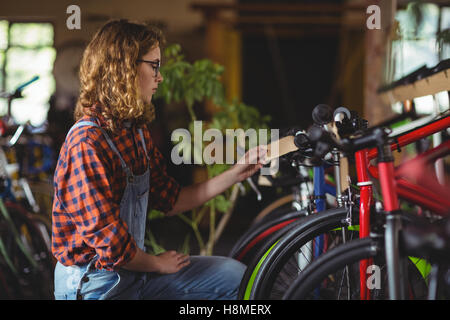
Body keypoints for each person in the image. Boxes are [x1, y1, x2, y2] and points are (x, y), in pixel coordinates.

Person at [51, 19, 267, 300]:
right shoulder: (87, 143)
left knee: (236, 277)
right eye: (154, 66)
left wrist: (235, 173)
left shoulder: (135, 133)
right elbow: (111, 244)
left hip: (132, 271)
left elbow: (171, 199)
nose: (160, 77)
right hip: (96, 284)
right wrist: (156, 263)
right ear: (125, 69)